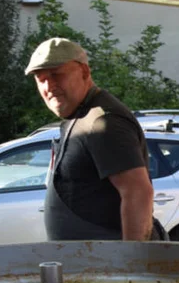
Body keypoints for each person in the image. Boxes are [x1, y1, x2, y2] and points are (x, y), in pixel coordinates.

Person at [25, 37, 157, 241]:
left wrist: (132, 265)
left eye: (56, 75)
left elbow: (138, 193)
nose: (49, 86)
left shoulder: (103, 122)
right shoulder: (81, 115)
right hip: (89, 263)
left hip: (108, 266)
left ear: (84, 72)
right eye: (41, 79)